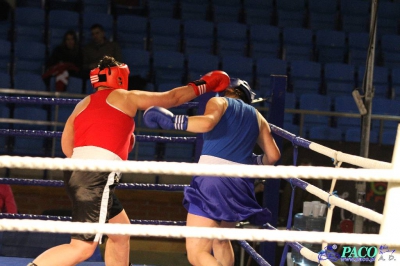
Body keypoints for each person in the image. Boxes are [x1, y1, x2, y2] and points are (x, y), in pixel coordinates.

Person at [28, 55, 230, 266]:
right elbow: (172, 98)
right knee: (82, 248)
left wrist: (108, 148)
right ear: (120, 76)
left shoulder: (82, 103)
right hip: (96, 177)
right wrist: (204, 85)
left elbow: (66, 146)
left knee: (121, 232)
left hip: (77, 174)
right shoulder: (125, 97)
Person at [143, 78, 281, 266]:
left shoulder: (219, 101)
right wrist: (255, 161)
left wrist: (173, 122)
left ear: (229, 89)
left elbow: (207, 124)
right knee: (221, 241)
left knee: (197, 252)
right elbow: (273, 156)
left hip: (213, 180)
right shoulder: (258, 117)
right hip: (241, 184)